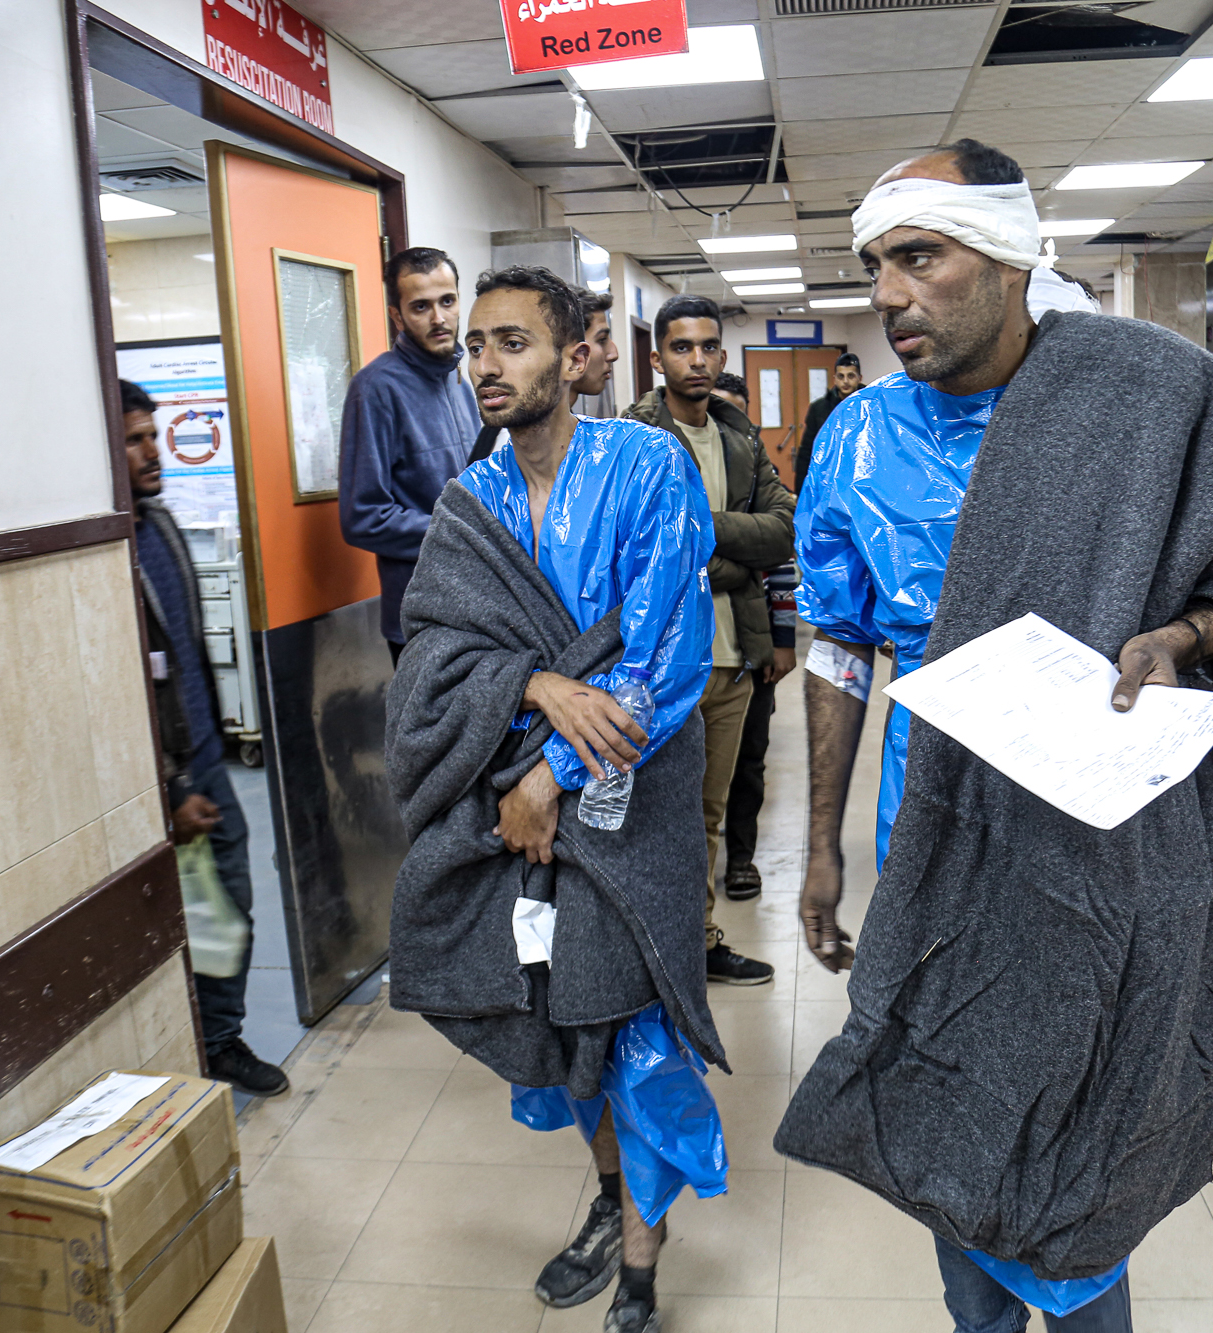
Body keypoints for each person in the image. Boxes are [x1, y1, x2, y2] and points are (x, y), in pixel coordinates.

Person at [775, 140, 1213, 1332]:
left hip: (1113, 842)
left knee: (1089, 1145)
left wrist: (1183, 632)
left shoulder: (1146, 394)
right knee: (949, 1121)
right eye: (875, 263)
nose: (885, 295)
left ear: (1007, 257)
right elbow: (833, 642)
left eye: (917, 257)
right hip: (932, 830)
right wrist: (822, 845)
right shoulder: (855, 441)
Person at [384, 267, 725, 1333]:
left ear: (575, 354)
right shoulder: (470, 501)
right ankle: (613, 1191)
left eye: (513, 343)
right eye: (475, 345)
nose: (486, 363)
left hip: (633, 797)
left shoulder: (645, 466)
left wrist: (549, 776)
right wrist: (526, 686)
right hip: (513, 812)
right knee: (557, 1010)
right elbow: (435, 648)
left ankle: (640, 1247)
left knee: (633, 1025)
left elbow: (664, 660)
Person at [121, 380, 289, 1097]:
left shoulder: (157, 527)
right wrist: (170, 784)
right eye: (133, 439)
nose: (152, 451)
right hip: (164, 773)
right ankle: (195, 1042)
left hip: (206, 756)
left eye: (153, 435)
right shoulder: (105, 553)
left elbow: (183, 650)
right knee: (182, 914)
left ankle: (218, 1037)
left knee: (232, 901)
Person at [625, 295, 794, 985]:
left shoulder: (738, 434)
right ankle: (648, 949)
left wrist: (701, 528)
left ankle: (697, 940)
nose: (697, 359)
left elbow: (783, 528)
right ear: (658, 356)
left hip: (733, 660)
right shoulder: (632, 438)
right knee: (658, 816)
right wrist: (733, 549)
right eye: (681, 347)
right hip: (665, 662)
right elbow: (646, 548)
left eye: (708, 348)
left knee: (707, 817)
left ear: (722, 356)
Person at [338, 245, 479, 663]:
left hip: (478, 610)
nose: (439, 319)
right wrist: (462, 531)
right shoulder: (375, 389)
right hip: (421, 622)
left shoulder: (460, 384)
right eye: (421, 307)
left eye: (447, 302)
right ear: (397, 316)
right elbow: (363, 517)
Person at [709, 372, 798, 902]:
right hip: (704, 642)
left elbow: (780, 557)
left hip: (754, 640)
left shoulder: (757, 475)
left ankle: (741, 858)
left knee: (749, 759)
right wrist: (747, 556)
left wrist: (782, 640)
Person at [468, 287, 618, 464]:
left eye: (513, 344)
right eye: (476, 348)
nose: (612, 353)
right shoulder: (511, 442)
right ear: (575, 358)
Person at [794, 352, 863, 493]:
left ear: (859, 378)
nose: (845, 381)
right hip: (828, 479)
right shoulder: (819, 409)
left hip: (861, 477)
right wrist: (800, 490)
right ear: (834, 379)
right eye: (841, 376)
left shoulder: (870, 405)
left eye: (851, 376)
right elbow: (807, 450)